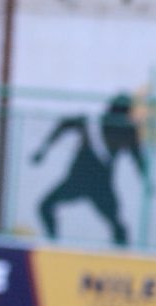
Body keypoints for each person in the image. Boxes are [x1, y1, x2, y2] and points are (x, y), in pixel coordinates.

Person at [31, 93, 148, 246]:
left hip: (99, 185)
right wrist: (43, 150)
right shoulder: (94, 123)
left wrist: (43, 150)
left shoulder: (125, 131)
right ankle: (53, 244)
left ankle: (121, 255)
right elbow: (65, 124)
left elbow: (137, 157)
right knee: (45, 206)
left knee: (117, 225)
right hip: (79, 180)